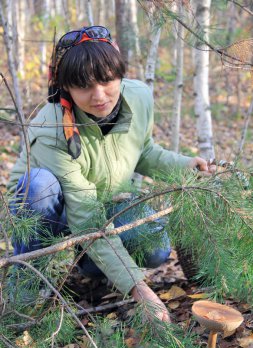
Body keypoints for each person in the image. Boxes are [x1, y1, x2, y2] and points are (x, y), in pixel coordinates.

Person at [8, 25, 215, 322]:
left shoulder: (139, 97)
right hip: (51, 210)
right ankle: (29, 280)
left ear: (119, 73)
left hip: (104, 204)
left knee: (156, 247)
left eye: (107, 80)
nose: (99, 95)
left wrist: (184, 164)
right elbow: (84, 214)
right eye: (84, 86)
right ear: (65, 86)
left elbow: (142, 151)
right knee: (38, 187)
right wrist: (139, 289)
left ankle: (93, 266)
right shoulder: (51, 126)